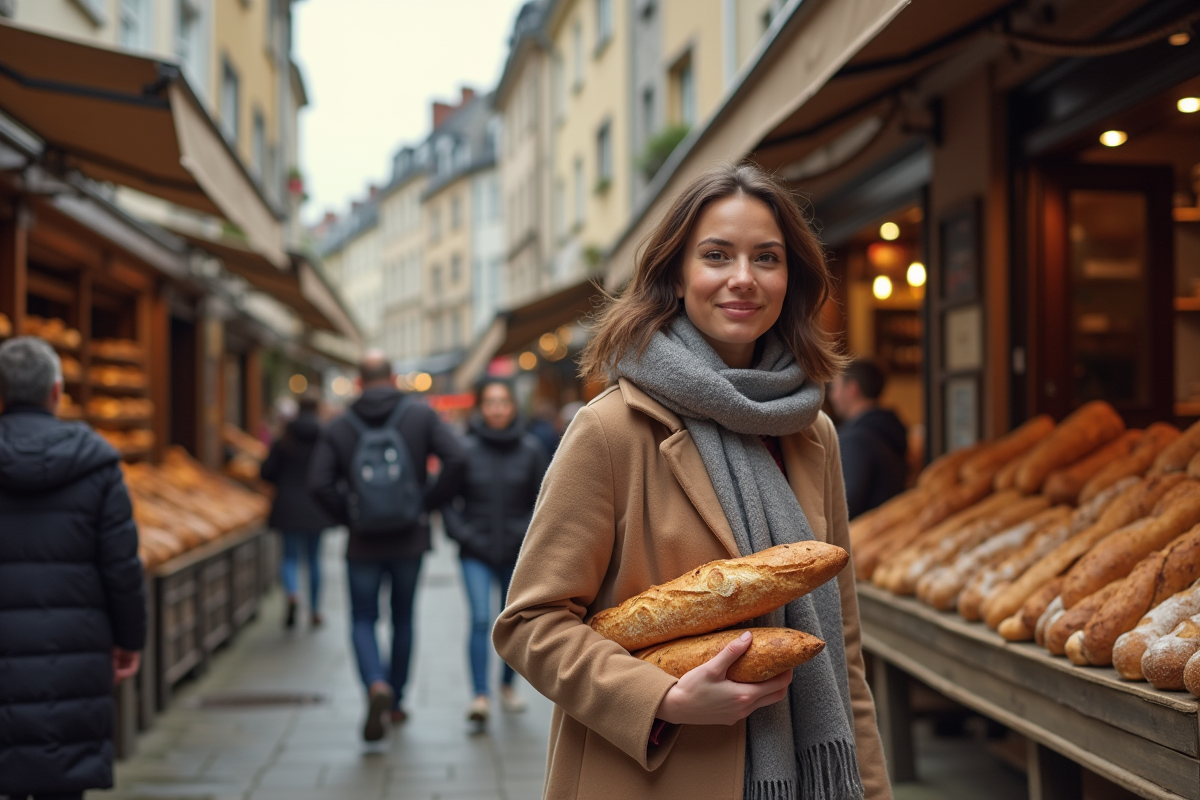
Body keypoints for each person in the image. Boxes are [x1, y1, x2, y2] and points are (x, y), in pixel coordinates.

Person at [493, 164, 891, 799]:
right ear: (677, 276)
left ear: (790, 280)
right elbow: (530, 624)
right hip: (653, 774)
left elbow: (839, 645)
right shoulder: (611, 430)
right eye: (716, 255)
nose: (743, 277)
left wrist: (869, 788)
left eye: (767, 257)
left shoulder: (813, 436)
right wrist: (665, 698)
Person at [0, 337, 146, 798]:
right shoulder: (96, 464)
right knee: (60, 782)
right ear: (57, 392)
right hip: (73, 655)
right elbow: (121, 565)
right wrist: (129, 639)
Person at [308, 351, 467, 742]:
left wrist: (351, 514)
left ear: (359, 382)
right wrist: (425, 503)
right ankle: (395, 701)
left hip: (363, 542)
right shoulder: (419, 415)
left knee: (363, 617)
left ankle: (374, 684)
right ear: (393, 378)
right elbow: (457, 457)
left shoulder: (341, 424)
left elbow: (318, 482)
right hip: (409, 537)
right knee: (403, 618)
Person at [442, 379, 548, 726]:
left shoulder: (531, 450)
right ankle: (479, 696)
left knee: (512, 624)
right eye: (490, 402)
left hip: (518, 554)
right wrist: (463, 535)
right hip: (476, 551)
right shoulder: (464, 449)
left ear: (513, 406)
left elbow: (546, 500)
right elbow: (447, 501)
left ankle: (506, 686)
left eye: (503, 401)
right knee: (477, 619)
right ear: (480, 408)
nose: (498, 408)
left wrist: (526, 534)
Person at [260, 389, 334, 629]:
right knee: (313, 559)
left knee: (290, 557)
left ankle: (292, 593)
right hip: (316, 506)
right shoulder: (325, 437)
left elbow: (266, 472)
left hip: (288, 506)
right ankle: (314, 610)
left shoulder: (285, 439)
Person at [827, 358, 908, 520]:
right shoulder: (887, 427)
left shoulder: (856, 440)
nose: (832, 396)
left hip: (863, 538)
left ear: (852, 389)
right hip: (886, 528)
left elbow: (845, 506)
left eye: (835, 387)